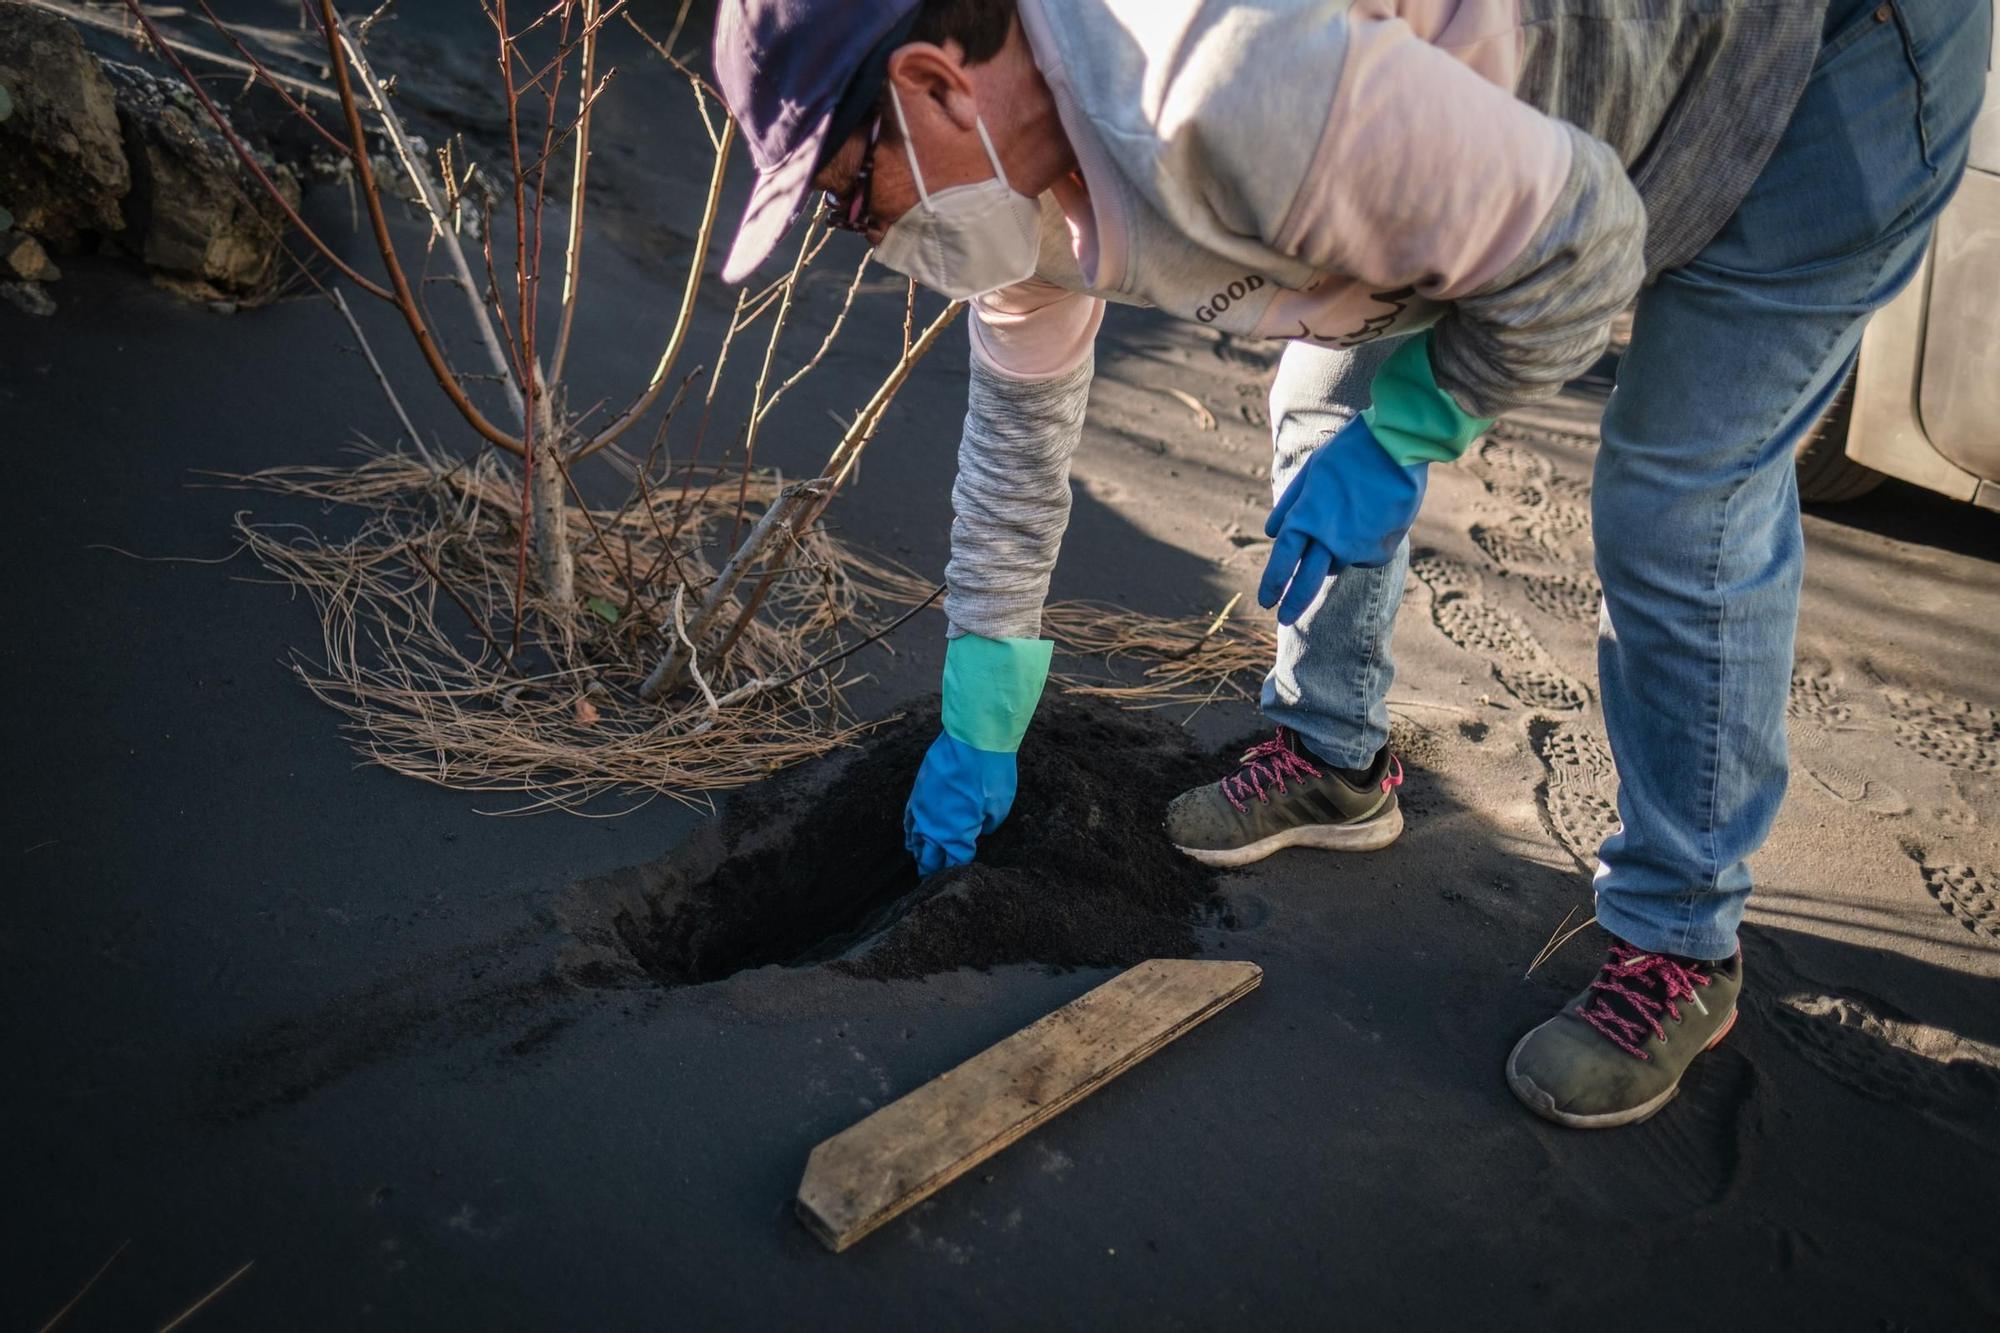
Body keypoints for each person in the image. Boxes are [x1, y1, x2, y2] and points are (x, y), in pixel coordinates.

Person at [710, 0, 1991, 1127]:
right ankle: (1334, 759)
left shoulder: (1216, 85)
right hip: (1515, 127)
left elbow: (1584, 247)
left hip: (1823, 57)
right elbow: (1015, 442)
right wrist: (981, 711)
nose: (859, 238)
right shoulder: (1029, 203)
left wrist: (1408, 435)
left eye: (841, 194)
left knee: (1676, 491)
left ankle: (1678, 941)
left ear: (935, 83)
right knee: (1319, 387)